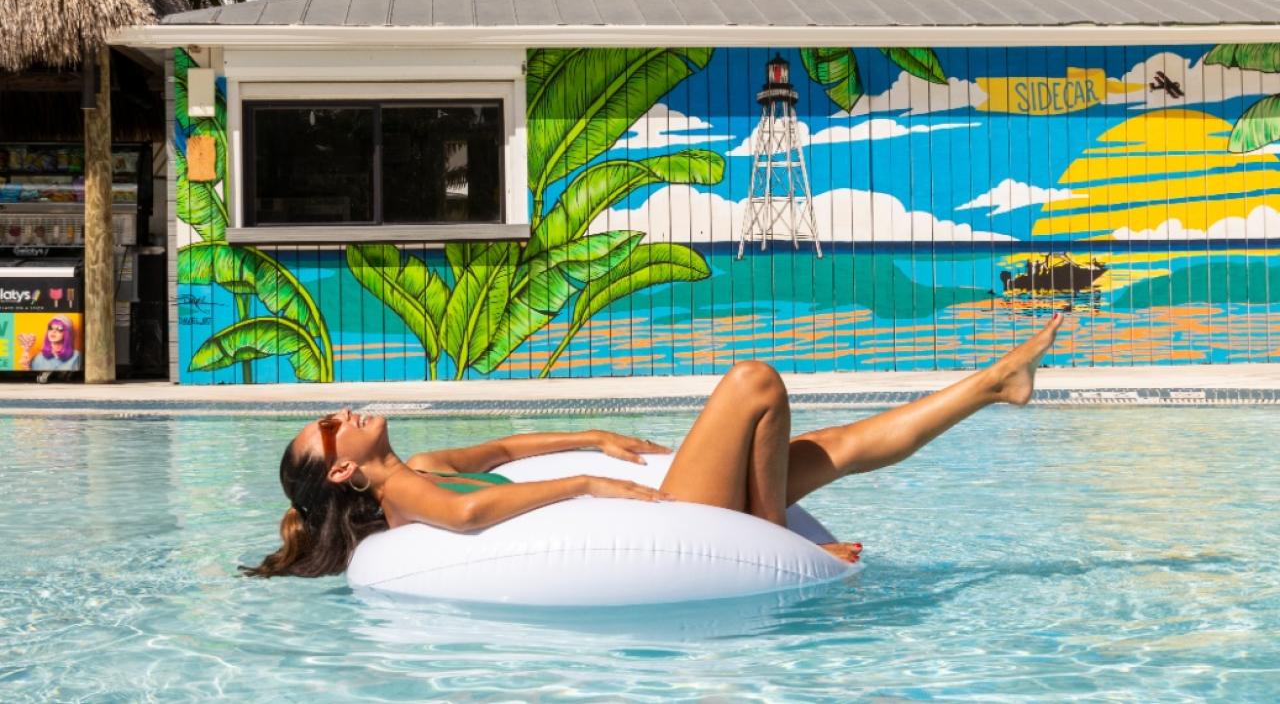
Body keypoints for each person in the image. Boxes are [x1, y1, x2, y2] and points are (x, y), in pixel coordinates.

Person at [244, 314, 1064, 578]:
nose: (341, 411)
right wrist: (586, 484)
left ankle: (995, 383)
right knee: (753, 382)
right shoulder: (403, 496)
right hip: (677, 517)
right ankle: (775, 537)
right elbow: (472, 515)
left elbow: (504, 450)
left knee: (837, 444)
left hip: (669, 503)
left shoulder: (422, 465)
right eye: (329, 425)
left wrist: (591, 436)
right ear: (342, 467)